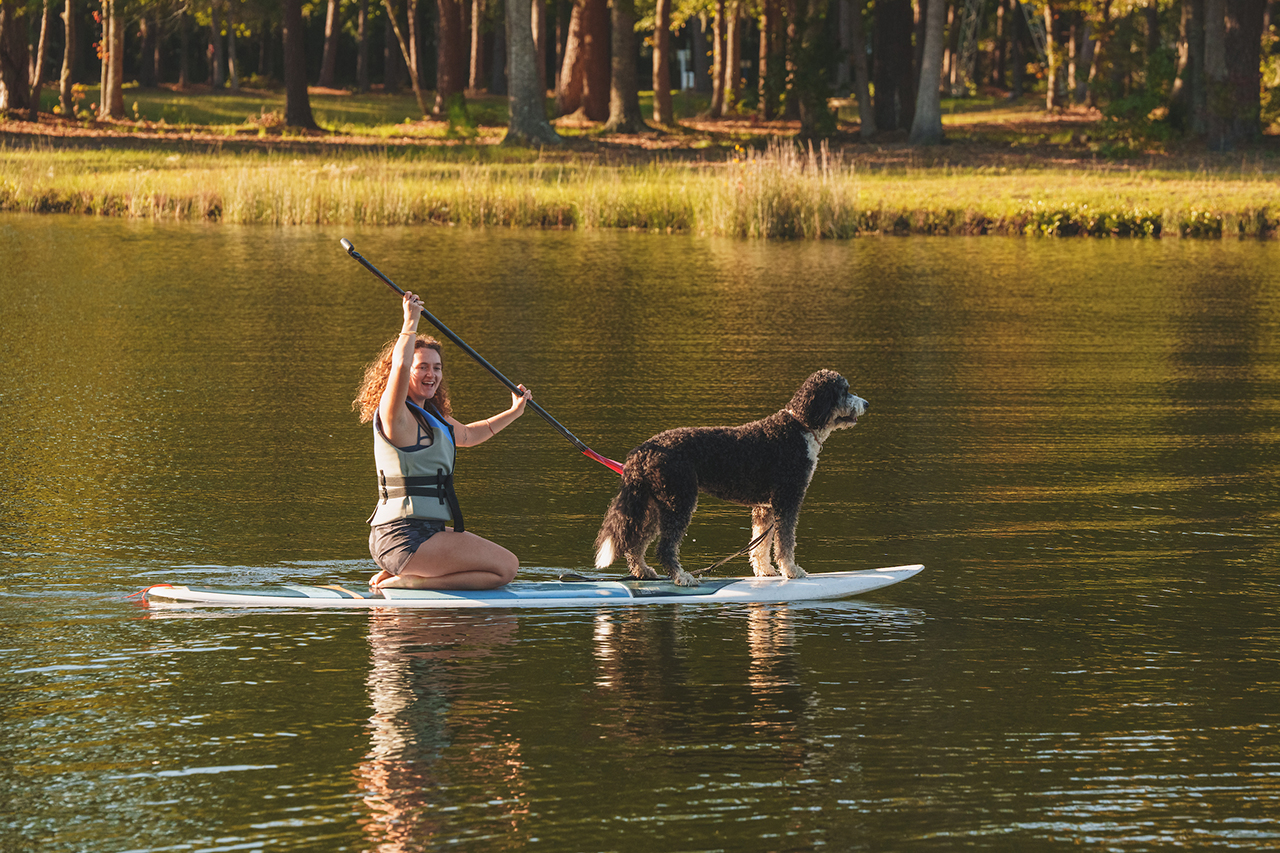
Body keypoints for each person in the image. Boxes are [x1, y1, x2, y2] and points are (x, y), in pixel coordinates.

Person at [353, 291, 531, 591]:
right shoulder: (395, 415)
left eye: (437, 368)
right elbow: (398, 367)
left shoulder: (433, 418)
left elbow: (471, 435)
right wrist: (410, 322)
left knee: (504, 566)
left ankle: (413, 574)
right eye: (422, 366)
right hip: (402, 538)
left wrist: (514, 411)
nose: (431, 374)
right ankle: (410, 582)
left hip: (424, 533)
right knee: (505, 569)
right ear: (406, 370)